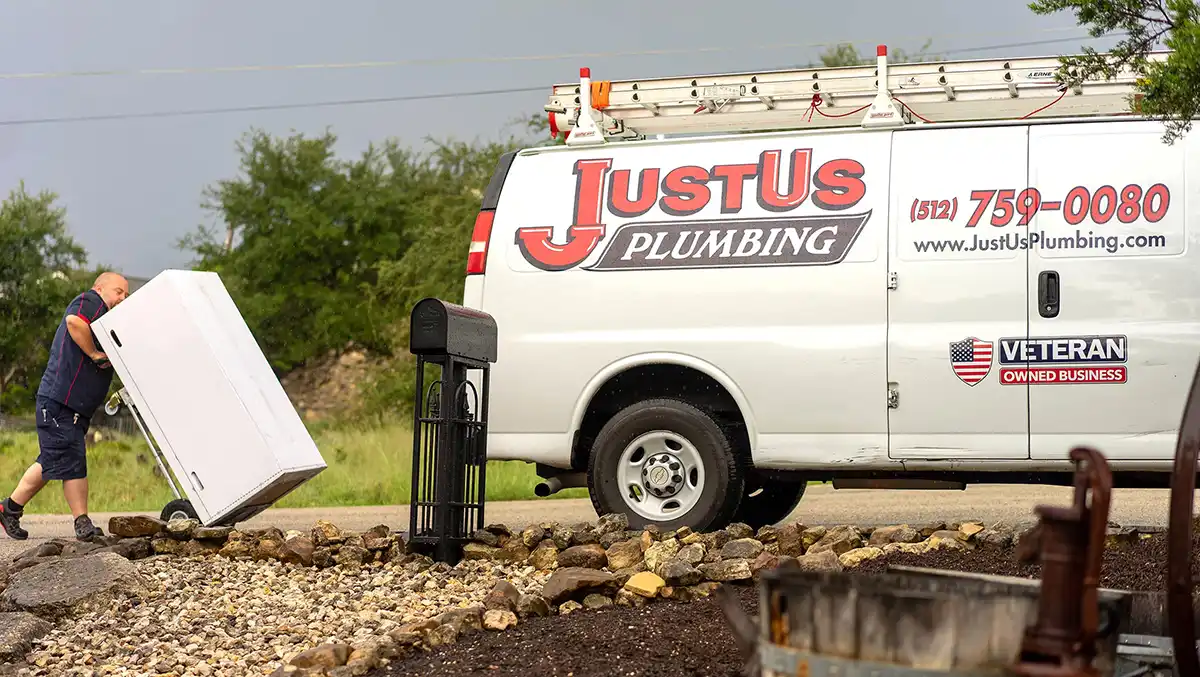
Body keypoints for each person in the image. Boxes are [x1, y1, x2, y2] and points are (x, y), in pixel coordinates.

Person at [0, 272, 129, 541]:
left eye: (126, 294)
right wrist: (94, 353)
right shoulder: (91, 301)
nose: (122, 298)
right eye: (118, 291)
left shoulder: (104, 319)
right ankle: (81, 522)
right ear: (100, 288)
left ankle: (9, 508)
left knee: (53, 459)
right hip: (61, 403)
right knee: (72, 458)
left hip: (72, 407)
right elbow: (73, 321)